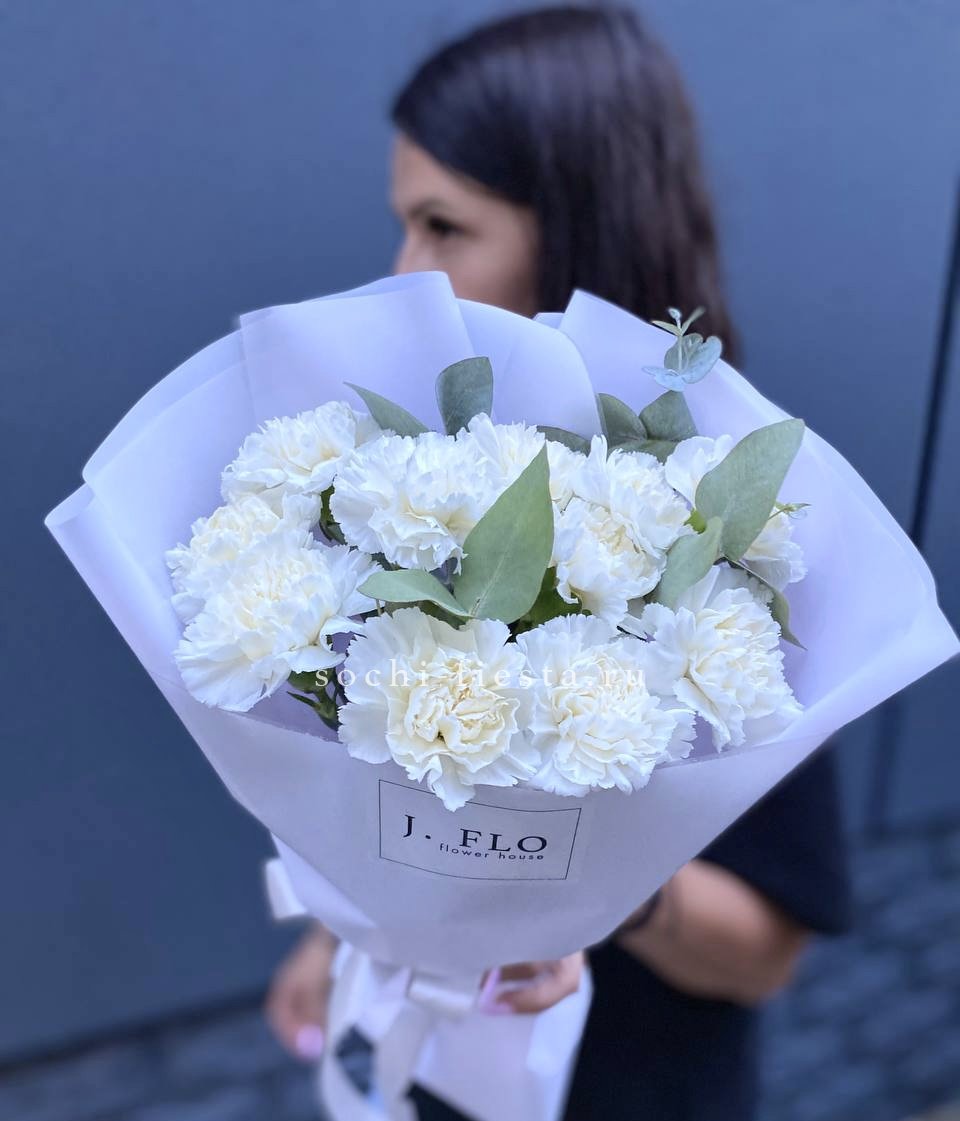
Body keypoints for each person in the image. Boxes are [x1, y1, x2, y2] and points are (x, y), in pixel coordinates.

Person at [266, 7, 853, 1119]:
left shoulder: (729, 520)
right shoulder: (417, 483)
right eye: (404, 224)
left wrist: (577, 878)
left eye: (445, 226)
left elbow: (767, 953)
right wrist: (338, 931)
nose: (405, 273)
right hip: (423, 1072)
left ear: (581, 229)